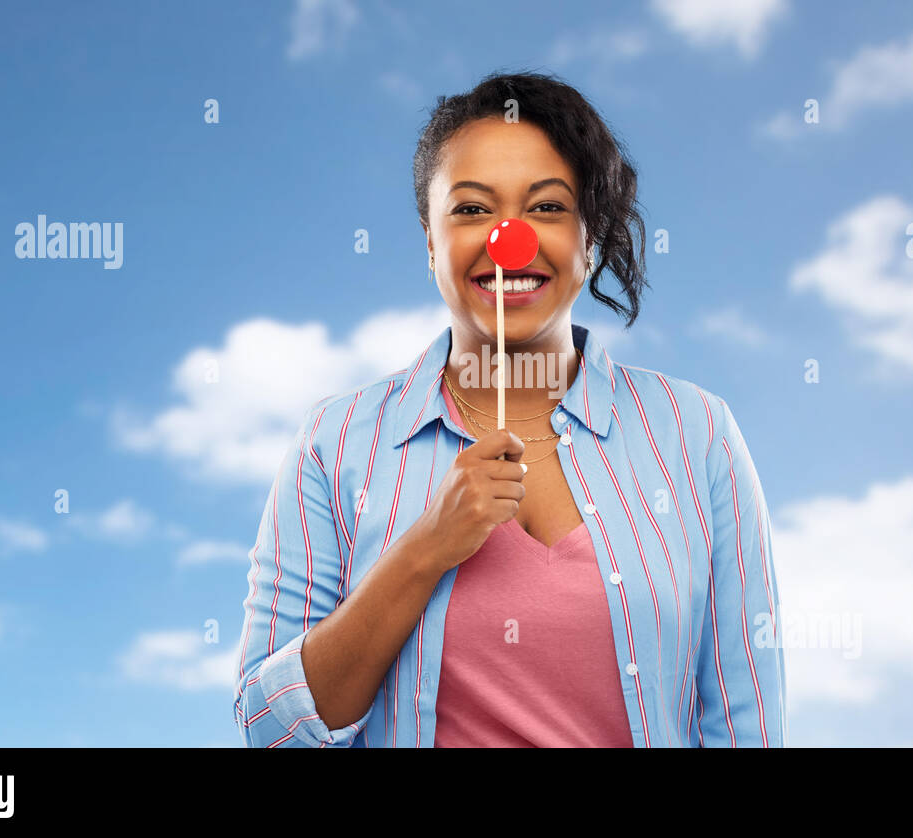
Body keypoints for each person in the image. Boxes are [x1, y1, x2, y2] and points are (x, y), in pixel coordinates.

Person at [233, 71, 785, 748]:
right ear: (430, 241)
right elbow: (271, 731)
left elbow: (744, 722)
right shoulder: (334, 443)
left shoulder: (699, 435)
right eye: (470, 210)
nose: (508, 240)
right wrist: (423, 550)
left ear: (591, 237)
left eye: (548, 208)